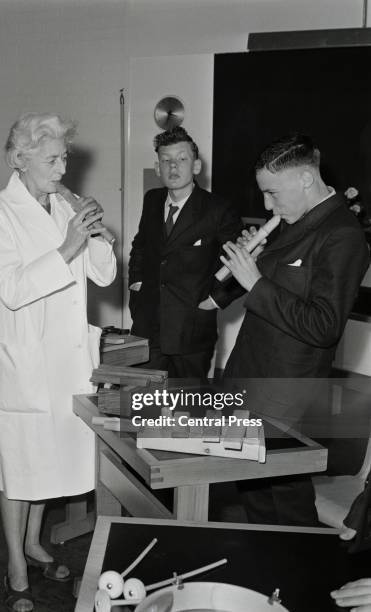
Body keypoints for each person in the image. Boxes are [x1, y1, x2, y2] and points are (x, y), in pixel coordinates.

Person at [0, 112, 116, 612]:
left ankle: (36, 543)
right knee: (20, 466)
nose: (62, 169)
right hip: (28, 364)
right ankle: (16, 562)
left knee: (50, 461)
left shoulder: (63, 205)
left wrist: (97, 234)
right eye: (53, 159)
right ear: (22, 159)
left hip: (67, 361)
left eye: (65, 158)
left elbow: (103, 276)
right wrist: (68, 246)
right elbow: (12, 290)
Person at [215, 133, 370, 526]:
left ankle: (299, 580)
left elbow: (323, 326)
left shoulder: (343, 234)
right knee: (253, 492)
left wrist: (256, 281)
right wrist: (257, 258)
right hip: (253, 380)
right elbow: (282, 288)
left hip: (287, 394)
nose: (267, 205)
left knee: (286, 502)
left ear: (305, 179)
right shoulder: (296, 219)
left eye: (272, 193)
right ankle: (267, 575)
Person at [128, 126, 242, 381]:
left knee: (189, 409)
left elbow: (240, 263)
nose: (173, 167)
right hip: (147, 325)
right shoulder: (152, 199)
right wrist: (136, 284)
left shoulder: (218, 209)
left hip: (191, 332)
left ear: (197, 166)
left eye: (182, 159)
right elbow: (141, 246)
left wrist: (215, 301)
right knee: (145, 407)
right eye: (166, 160)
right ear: (158, 168)